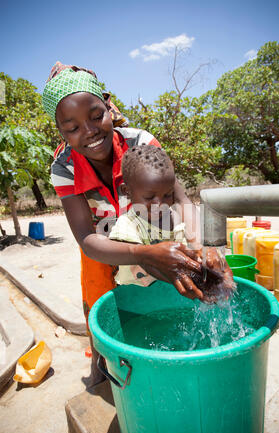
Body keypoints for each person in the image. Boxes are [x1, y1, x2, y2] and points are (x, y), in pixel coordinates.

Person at [42, 62, 232, 385]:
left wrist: (202, 246)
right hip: (104, 244)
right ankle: (101, 359)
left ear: (108, 104)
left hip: (151, 227)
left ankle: (166, 351)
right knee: (98, 295)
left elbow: (182, 201)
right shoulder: (64, 169)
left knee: (180, 278)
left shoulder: (140, 142)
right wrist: (142, 255)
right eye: (72, 128)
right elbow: (87, 238)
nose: (88, 131)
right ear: (60, 132)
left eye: (95, 115)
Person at [109, 144, 232, 301]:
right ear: (127, 192)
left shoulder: (179, 220)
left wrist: (210, 261)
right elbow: (149, 263)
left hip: (172, 300)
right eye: (149, 197)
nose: (160, 204)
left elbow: (199, 251)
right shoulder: (128, 224)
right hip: (136, 301)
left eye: (167, 195)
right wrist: (192, 281)